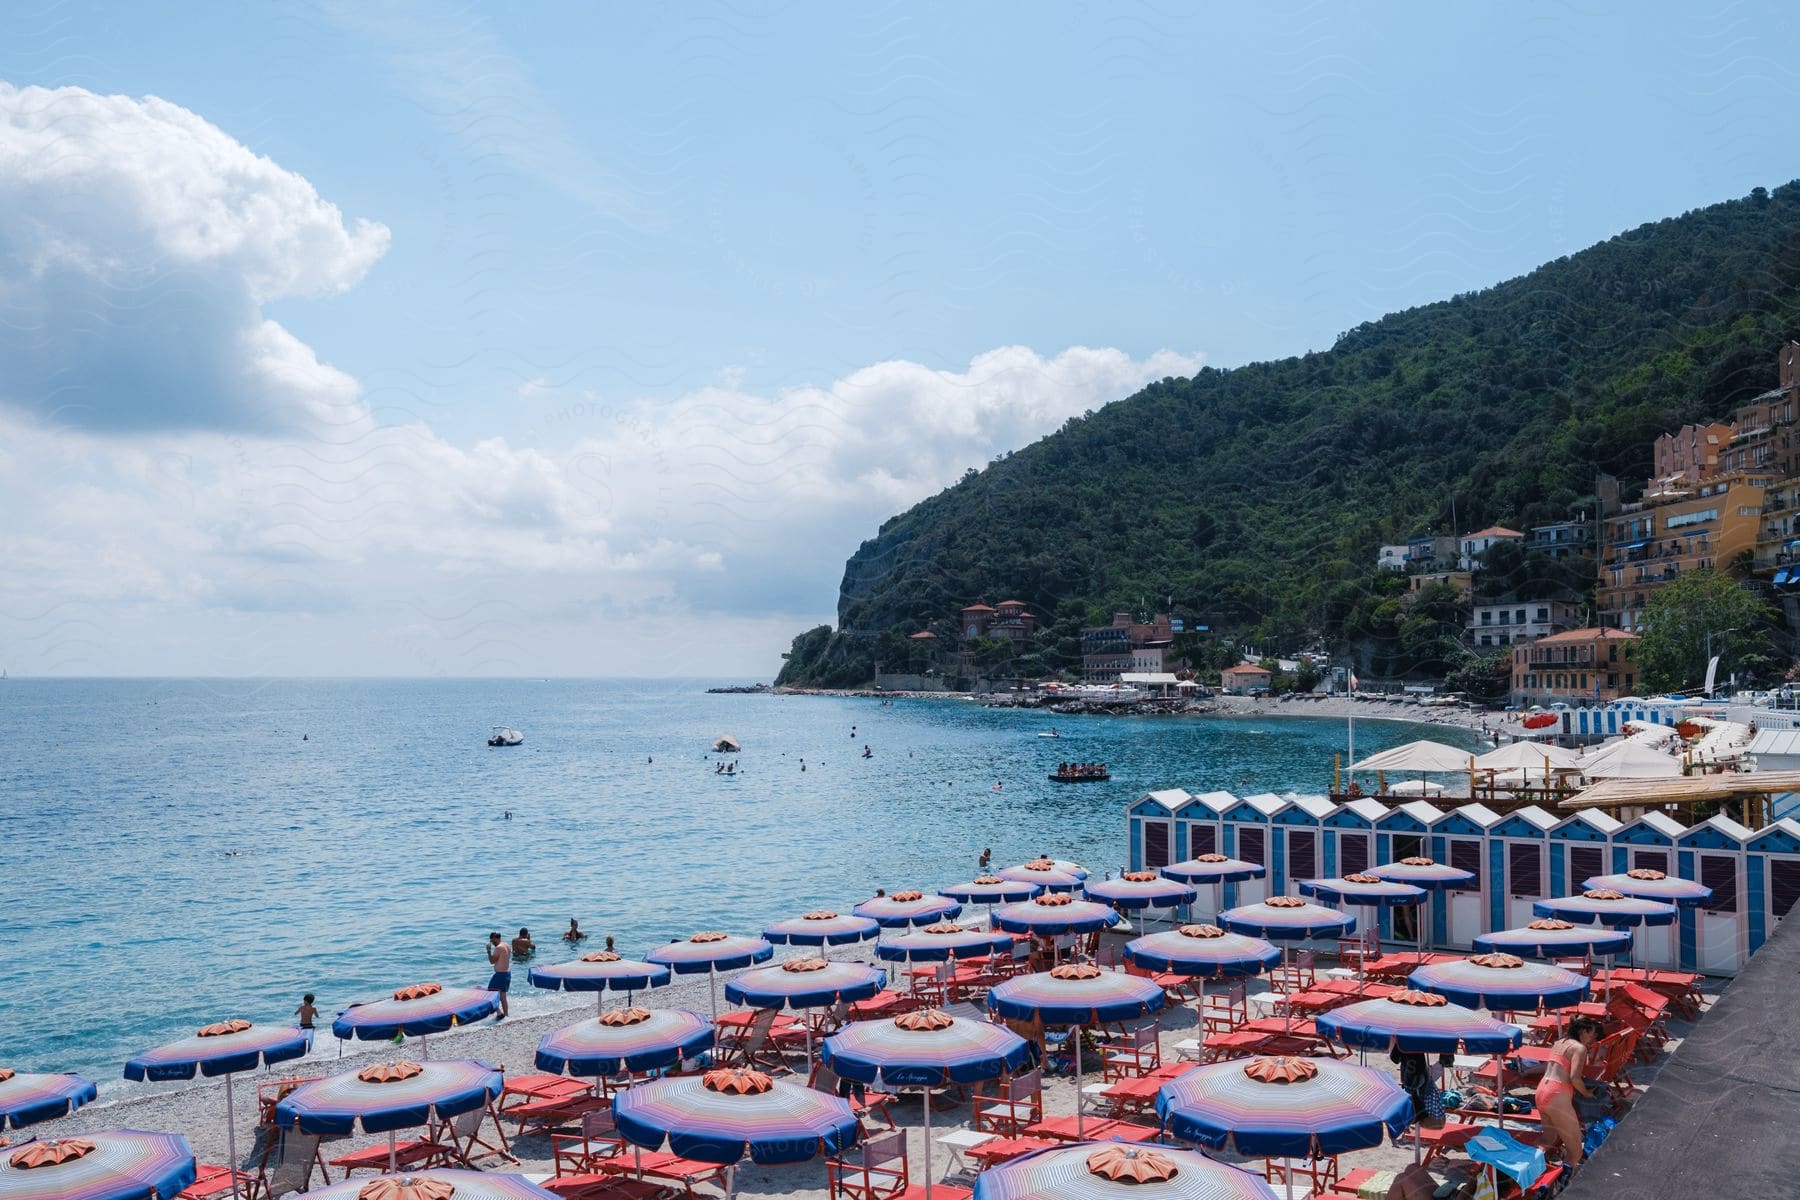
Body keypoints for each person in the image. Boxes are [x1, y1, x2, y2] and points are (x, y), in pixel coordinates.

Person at [1536, 1016, 1604, 1165]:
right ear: (1582, 1031)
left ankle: (1528, 1164)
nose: (1593, 1037)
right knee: (1575, 1150)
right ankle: (1566, 1184)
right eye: (1591, 1033)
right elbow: (1575, 1078)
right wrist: (1586, 1093)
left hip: (1542, 1090)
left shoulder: (1559, 1042)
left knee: (1548, 1139)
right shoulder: (1579, 1048)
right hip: (1557, 1095)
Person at [487, 932, 513, 1019]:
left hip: (500, 974)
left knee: (490, 992)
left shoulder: (498, 948)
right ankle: (505, 1015)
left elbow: (492, 961)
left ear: (496, 938)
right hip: (507, 973)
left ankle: (499, 1012)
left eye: (492, 940)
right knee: (503, 996)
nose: (492, 942)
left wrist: (488, 951)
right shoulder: (506, 945)